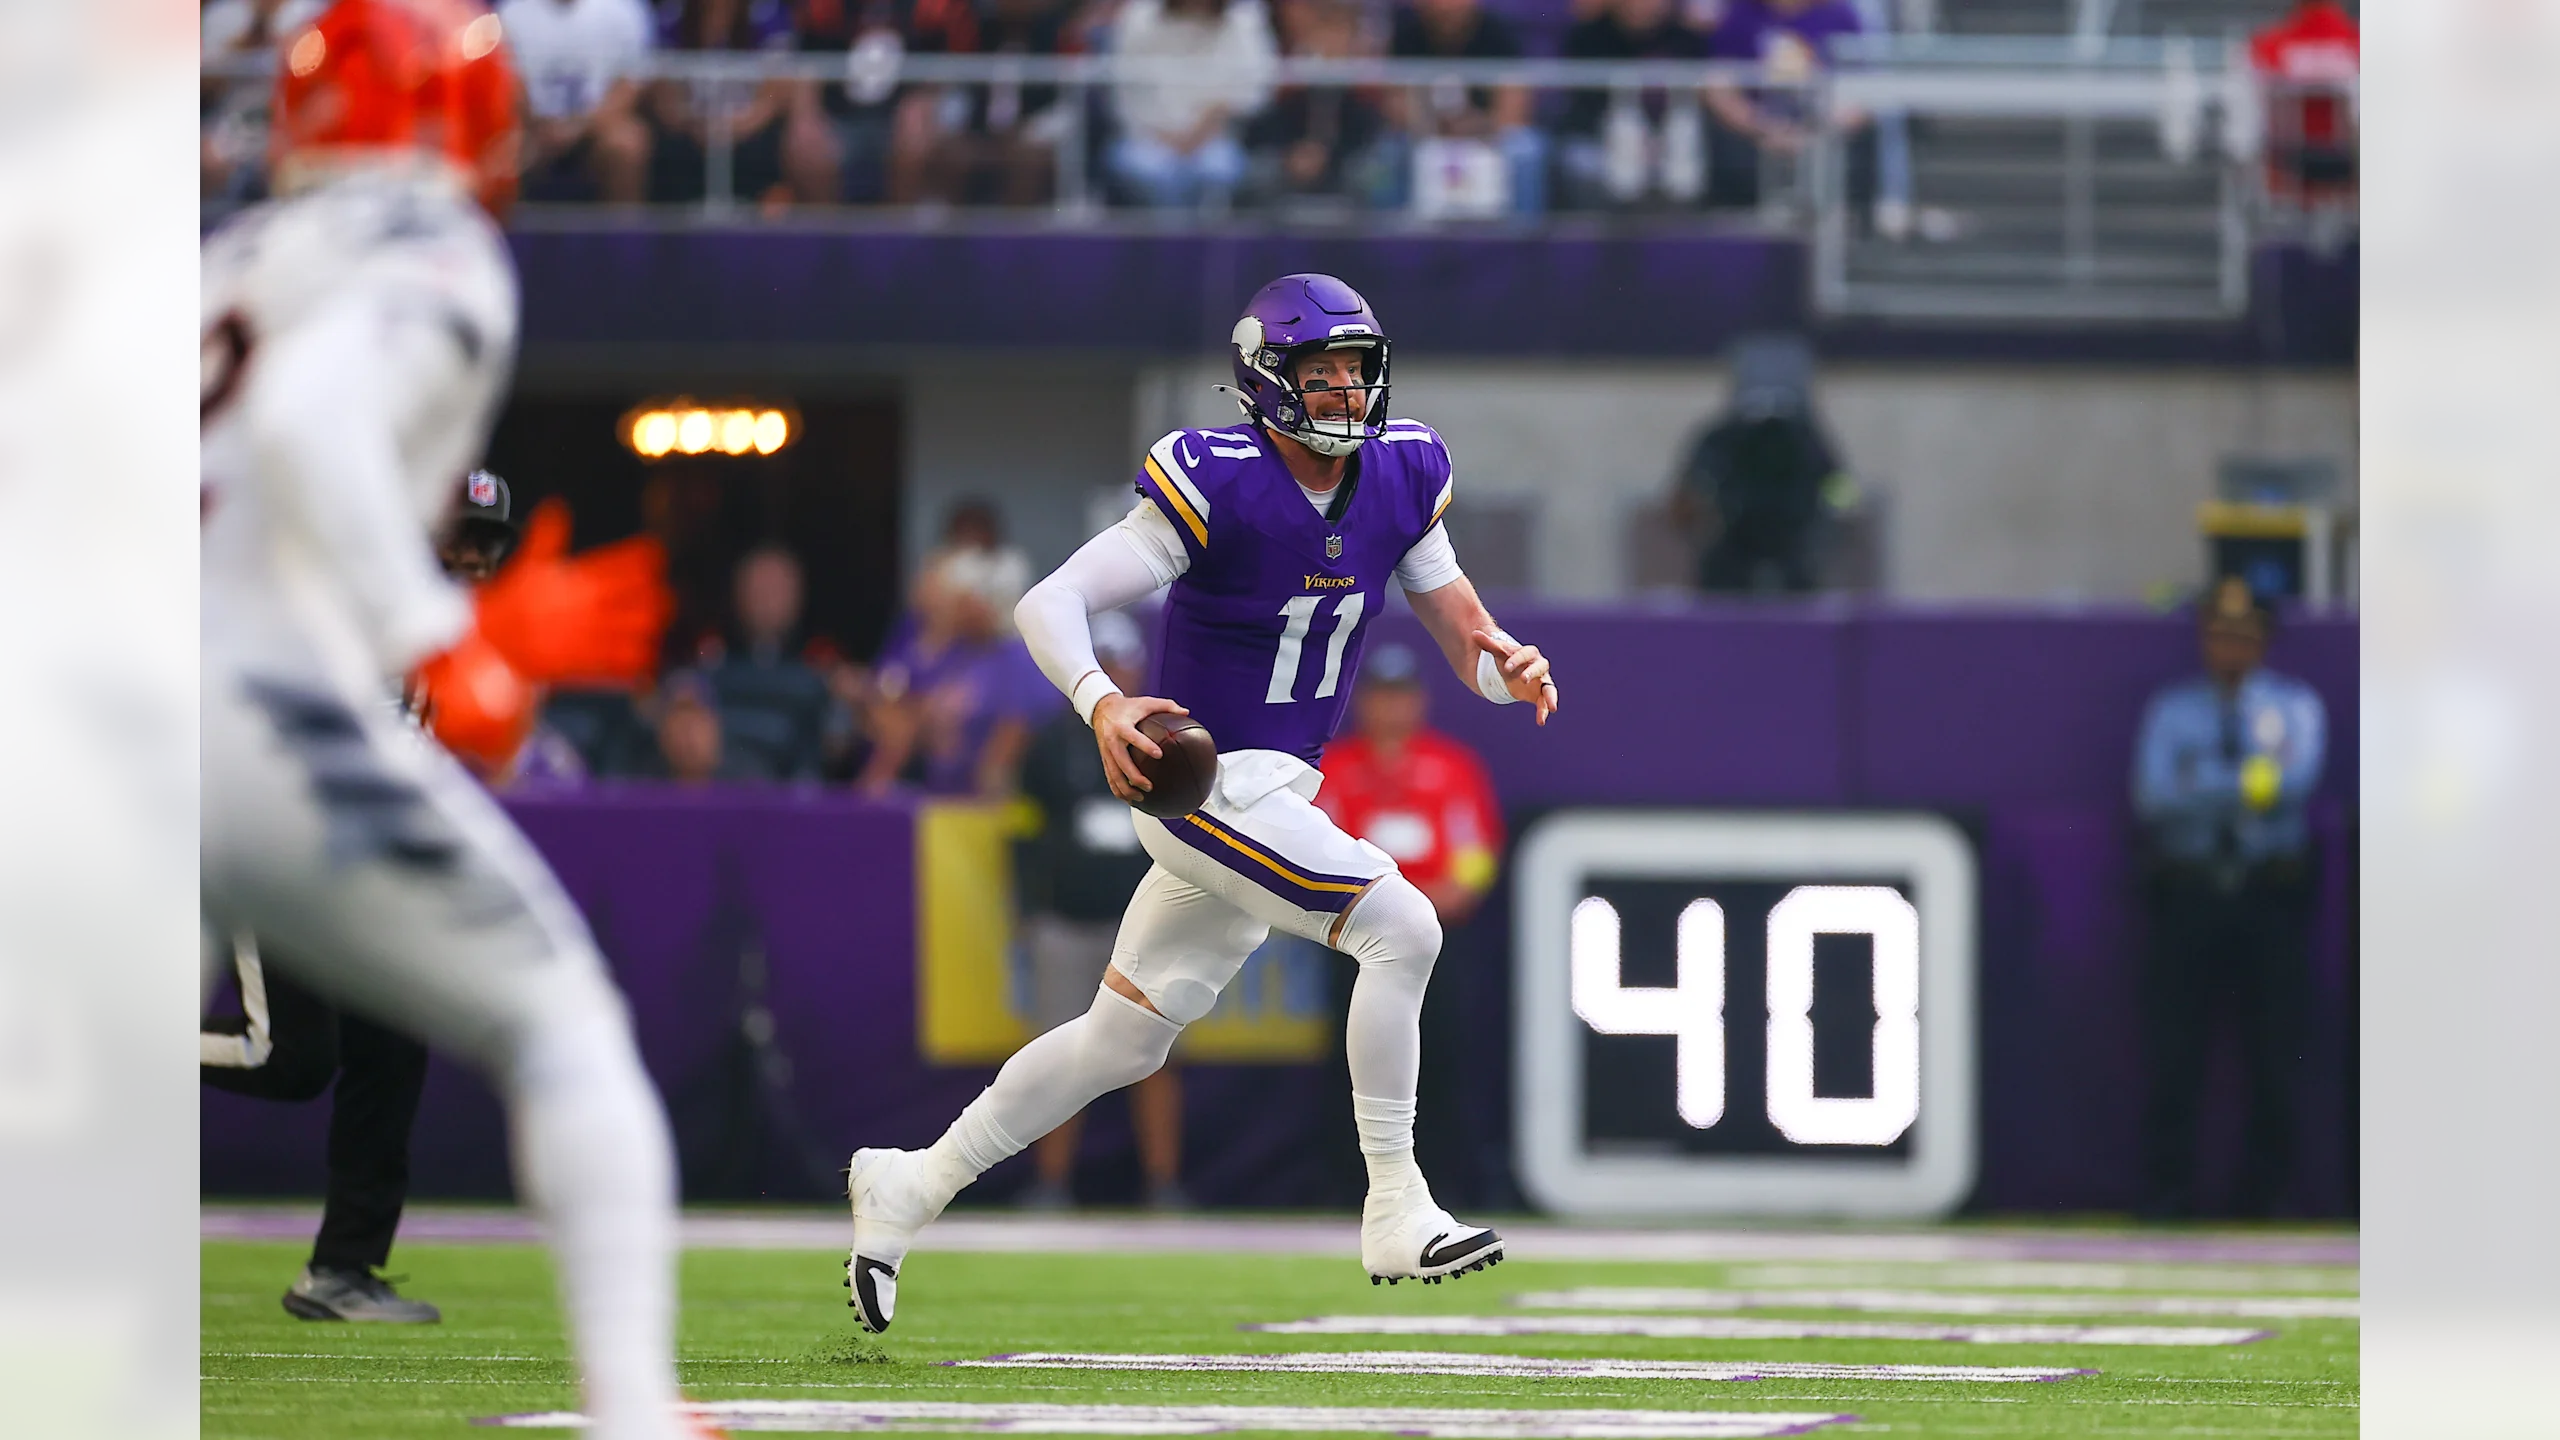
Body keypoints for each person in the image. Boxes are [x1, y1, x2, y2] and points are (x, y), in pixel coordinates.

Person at [842, 272, 1560, 1333]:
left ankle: (907, 1185)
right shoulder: (1214, 481)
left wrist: (1505, 667)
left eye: (1354, 373)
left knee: (1120, 1043)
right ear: (1266, 381)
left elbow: (1465, 637)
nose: (1343, 394)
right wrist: (1100, 702)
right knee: (1401, 925)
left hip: (1281, 793)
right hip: (1207, 783)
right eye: (1318, 375)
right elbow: (1050, 604)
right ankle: (1395, 1201)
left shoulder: (1405, 472)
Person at [200, 4, 695, 1434]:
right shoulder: (432, 251)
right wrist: (452, 641)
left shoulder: (225, 263)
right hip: (259, 707)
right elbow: (307, 425)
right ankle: (635, 1411)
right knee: (561, 1024)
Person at [201, 474, 530, 1325]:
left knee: (395, 1037)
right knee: (289, 1058)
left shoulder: (434, 627)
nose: (467, 559)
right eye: (456, 538)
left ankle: (342, 1268)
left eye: (484, 547)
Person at [2128, 576, 2327, 1220]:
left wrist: (2203, 780)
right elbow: (2158, 795)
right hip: (2190, 891)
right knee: (2174, 1048)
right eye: (2218, 634)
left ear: (2264, 641)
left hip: (2268, 892)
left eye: (2243, 635)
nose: (2230, 647)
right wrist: (2247, 783)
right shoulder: (2173, 710)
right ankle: (2165, 1191)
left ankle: (2265, 1196)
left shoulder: (2292, 705)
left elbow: (2294, 783)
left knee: (2274, 1051)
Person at [2358, 550, 2523, 1291]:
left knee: (2456, 1099)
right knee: (2368, 1098)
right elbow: (2394, 807)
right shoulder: (2365, 705)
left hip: (2452, 924)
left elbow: (2468, 803)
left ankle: (2453, 1271)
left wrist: (2412, 809)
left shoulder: (2475, 706)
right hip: (2380, 924)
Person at [1013, 611, 1188, 1210]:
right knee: (1060, 1053)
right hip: (1068, 915)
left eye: (1123, 661)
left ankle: (1162, 1184)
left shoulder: (1169, 742)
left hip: (1142, 924)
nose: (1116, 672)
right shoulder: (1050, 739)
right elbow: (1018, 822)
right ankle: (1052, 1183)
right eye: (1103, 663)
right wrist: (1028, 905)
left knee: (1154, 1058)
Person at [1670, 334, 1848, 594]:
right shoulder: (1725, 439)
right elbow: (1688, 496)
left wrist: (1833, 515)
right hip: (1736, 551)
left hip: (1792, 551)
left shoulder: (1806, 440)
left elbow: (1841, 491)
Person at [1702, 0, 1872, 215]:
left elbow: (1862, 96)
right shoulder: (1739, 12)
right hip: (1754, 133)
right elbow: (1718, 85)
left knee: (1846, 156)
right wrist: (1761, 126)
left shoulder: (1838, 13)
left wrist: (1814, 132)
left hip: (1822, 131)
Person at [1108, 0, 1279, 211]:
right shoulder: (1139, 17)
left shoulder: (1244, 20)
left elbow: (1256, 91)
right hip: (1149, 136)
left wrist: (1208, 122)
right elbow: (1122, 91)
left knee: (1219, 168)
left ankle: (1210, 240)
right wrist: (1162, 133)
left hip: (1215, 138)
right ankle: (1168, 240)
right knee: (1147, 169)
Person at [1383, 0, 1545, 216]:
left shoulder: (1498, 34)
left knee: (1526, 150)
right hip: (1425, 133)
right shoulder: (1407, 36)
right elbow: (1395, 104)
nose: (1446, 8)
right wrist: (1432, 127)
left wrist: (1479, 127)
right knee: (1388, 154)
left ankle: (1524, 241)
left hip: (1488, 134)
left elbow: (1514, 106)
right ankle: (1396, 243)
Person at [1556, 0, 1709, 210]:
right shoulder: (1588, 37)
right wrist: (1631, 140)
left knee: (1684, 130)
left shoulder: (1686, 39)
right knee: (1587, 154)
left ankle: (1683, 219)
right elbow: (1585, 105)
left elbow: (1698, 101)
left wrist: (1657, 139)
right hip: (1602, 138)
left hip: (1669, 140)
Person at [499, 0, 656, 203]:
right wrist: (537, 126)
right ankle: (499, 232)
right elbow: (507, 83)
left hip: (595, 129)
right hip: (533, 128)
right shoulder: (511, 14)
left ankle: (624, 232)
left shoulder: (624, 11)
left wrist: (580, 126)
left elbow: (629, 85)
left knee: (627, 143)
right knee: (501, 148)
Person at [1243, 0, 1391, 210]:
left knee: (1373, 174)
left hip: (1342, 166)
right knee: (1260, 172)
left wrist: (1327, 156)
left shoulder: (1362, 91)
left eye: (1340, 33)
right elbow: (1262, 129)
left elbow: (1368, 133)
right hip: (1290, 167)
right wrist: (1290, 154)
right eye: (1324, 31)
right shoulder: (1291, 84)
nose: (1331, 42)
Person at [704, 547, 836, 781]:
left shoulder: (825, 666)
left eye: (776, 590)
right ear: (738, 594)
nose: (766, 600)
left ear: (798, 595)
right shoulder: (709, 666)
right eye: (758, 589)